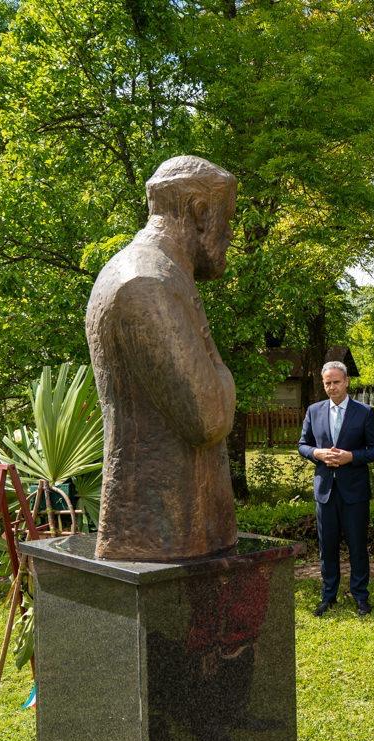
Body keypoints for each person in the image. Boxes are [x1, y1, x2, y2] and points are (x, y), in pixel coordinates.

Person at [86, 155, 239, 560]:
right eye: (227, 219)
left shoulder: (165, 275)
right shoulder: (146, 281)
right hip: (160, 529)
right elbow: (209, 419)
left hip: (186, 528)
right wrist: (222, 373)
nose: (229, 234)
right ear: (200, 212)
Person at [298, 361, 374, 617]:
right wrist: (317, 453)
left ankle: (360, 596)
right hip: (325, 490)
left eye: (336, 382)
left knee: (357, 546)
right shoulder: (314, 411)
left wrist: (351, 457)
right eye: (327, 383)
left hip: (354, 491)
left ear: (346, 382)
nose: (332, 387)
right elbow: (302, 444)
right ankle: (328, 596)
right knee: (327, 547)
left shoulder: (364, 412)